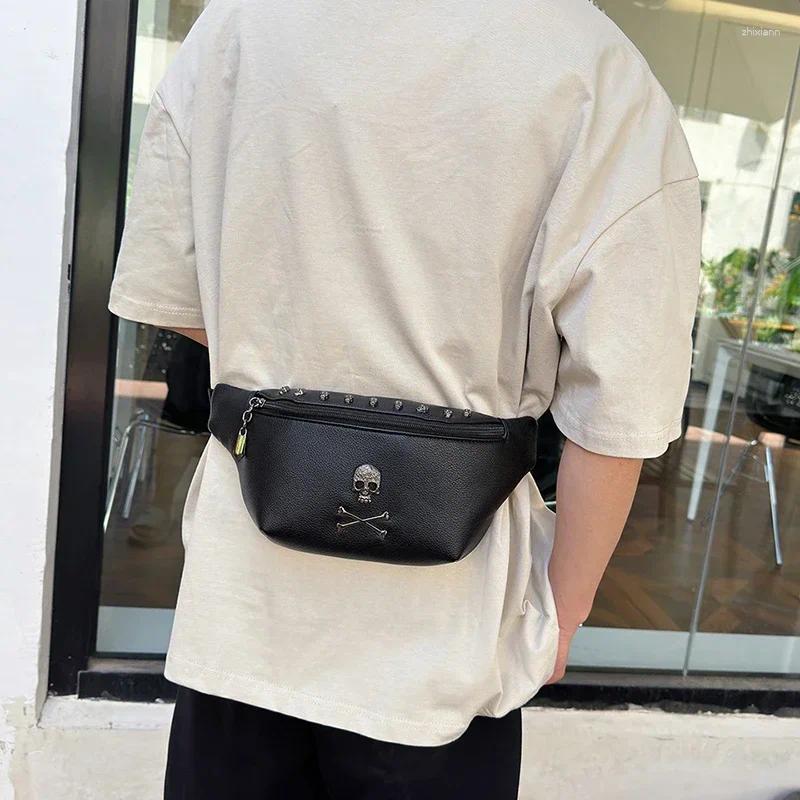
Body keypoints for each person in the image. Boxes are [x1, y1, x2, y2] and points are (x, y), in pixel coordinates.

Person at [107, 0, 702, 796]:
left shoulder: (237, 25)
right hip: (447, 631)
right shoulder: (598, 67)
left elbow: (182, 304)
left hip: (244, 603)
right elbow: (619, 409)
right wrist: (564, 611)